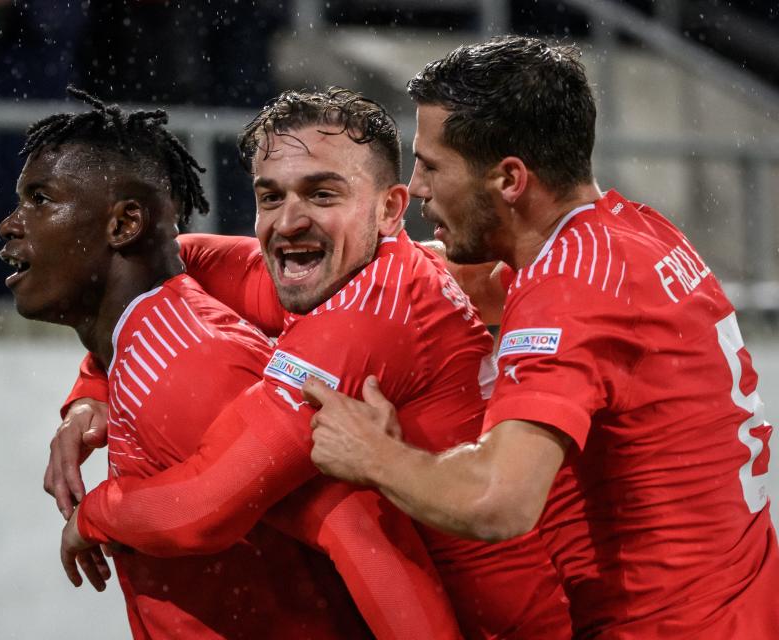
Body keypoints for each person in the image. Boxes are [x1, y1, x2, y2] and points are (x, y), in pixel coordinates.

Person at [302, 37, 779, 639]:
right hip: (746, 608)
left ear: (508, 179)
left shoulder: (569, 292)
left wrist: (373, 455)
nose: (416, 187)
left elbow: (499, 502)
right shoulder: (634, 233)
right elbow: (456, 282)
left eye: (431, 165)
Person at [52, 88, 572, 639]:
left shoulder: (364, 319)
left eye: (322, 194)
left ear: (390, 209)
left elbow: (204, 507)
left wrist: (94, 516)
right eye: (270, 197)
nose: (290, 222)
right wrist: (92, 389)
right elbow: (171, 261)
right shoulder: (346, 265)